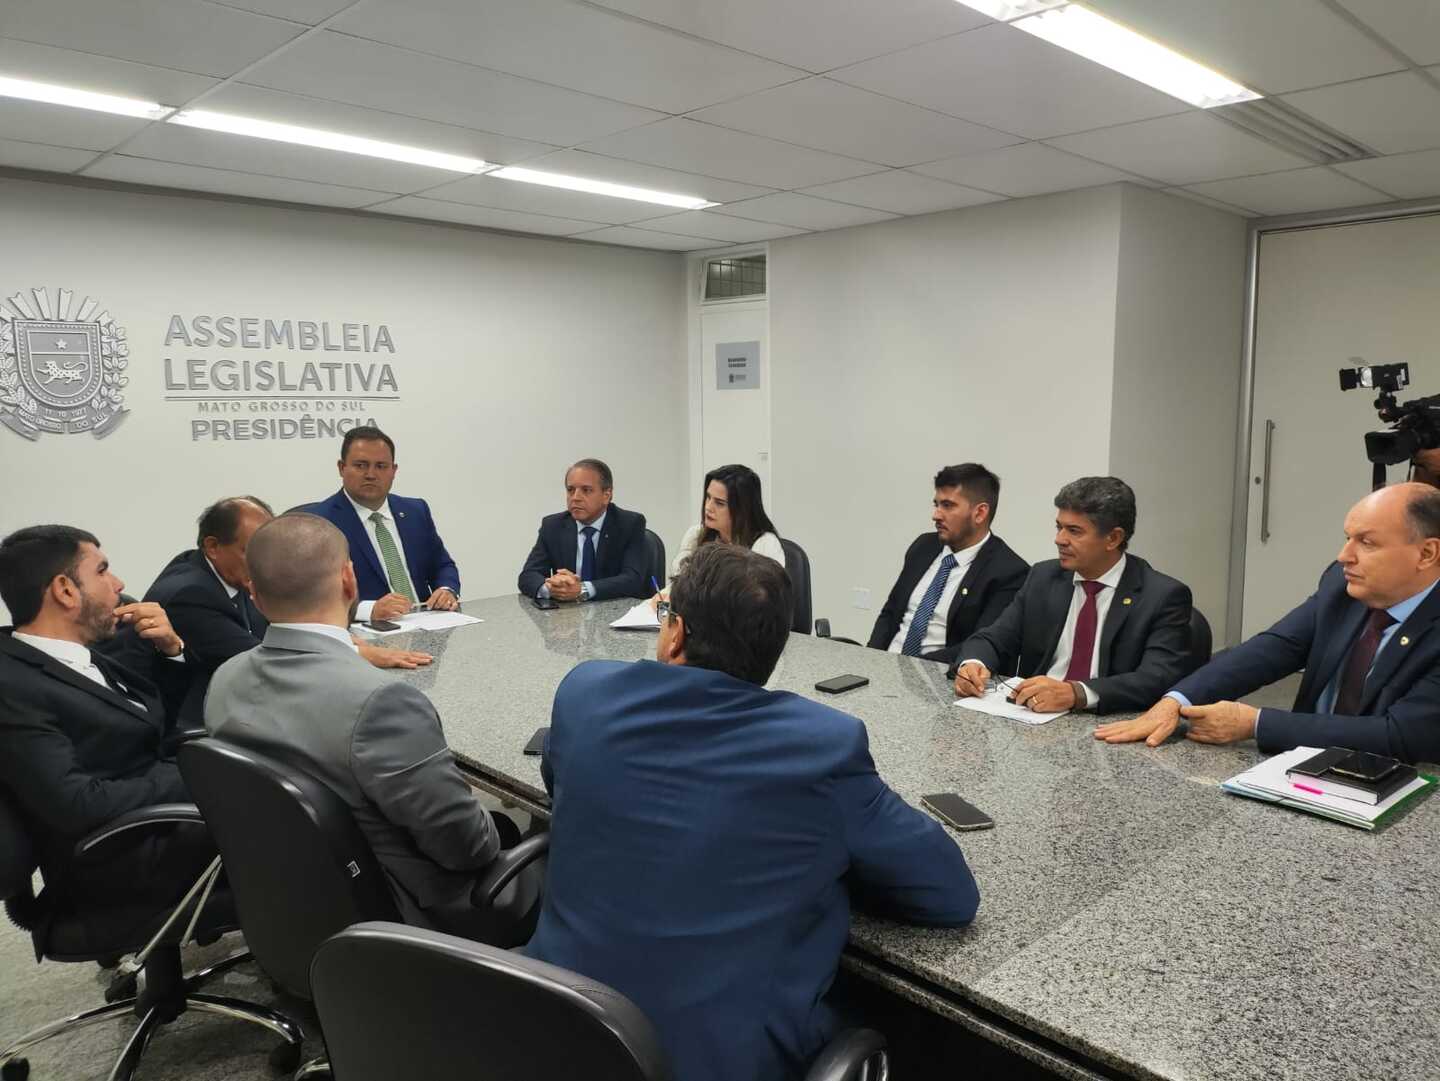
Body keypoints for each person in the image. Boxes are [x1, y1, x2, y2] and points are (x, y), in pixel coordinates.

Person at [528, 543, 979, 1081]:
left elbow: (559, 779)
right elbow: (949, 895)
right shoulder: (822, 744)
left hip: (553, 1027)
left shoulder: (586, 693)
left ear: (675, 635)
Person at [204, 513, 533, 944]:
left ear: (254, 595)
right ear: (348, 581)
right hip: (406, 915)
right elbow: (468, 848)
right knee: (550, 846)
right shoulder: (379, 702)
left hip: (298, 900)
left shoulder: (225, 679)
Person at [1097, 482, 1440, 762]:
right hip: (1303, 770)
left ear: (1426, 554)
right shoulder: (1342, 583)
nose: (1344, 555)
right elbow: (1276, 647)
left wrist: (1256, 724)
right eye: (1347, 537)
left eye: (1366, 542)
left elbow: (1402, 734)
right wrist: (1177, 700)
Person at [0, 525, 215, 923]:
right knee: (289, 825)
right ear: (65, 590)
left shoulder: (78, 654)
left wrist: (171, 652)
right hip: (112, 855)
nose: (118, 584)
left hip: (156, 820)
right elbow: (76, 803)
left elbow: (141, 726)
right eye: (102, 571)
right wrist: (200, 777)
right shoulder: (11, 682)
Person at [143, 496, 432, 726]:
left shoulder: (230, 574)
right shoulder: (190, 594)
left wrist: (336, 635)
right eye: (252, 550)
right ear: (213, 546)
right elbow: (269, 658)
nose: (265, 562)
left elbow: (279, 624)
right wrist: (355, 652)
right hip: (200, 720)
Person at [950, 477, 1193, 716]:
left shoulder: (1162, 596)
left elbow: (1156, 678)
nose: (1059, 539)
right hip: (1032, 717)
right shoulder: (1043, 577)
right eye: (1059, 527)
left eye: (1074, 531)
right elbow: (994, 638)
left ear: (1113, 538)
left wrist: (1077, 693)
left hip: (1109, 722)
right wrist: (973, 664)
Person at [868, 463, 1029, 664]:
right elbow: (891, 612)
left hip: (938, 676)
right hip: (885, 666)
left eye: (948, 505)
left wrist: (910, 668)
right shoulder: (923, 546)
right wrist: (870, 660)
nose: (936, 515)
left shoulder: (1009, 571)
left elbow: (982, 644)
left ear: (979, 513)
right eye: (936, 504)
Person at [305, 425, 461, 621]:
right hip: (365, 635)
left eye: (381, 466)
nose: (371, 474)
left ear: (393, 470)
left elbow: (443, 565)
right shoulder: (319, 523)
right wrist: (369, 610)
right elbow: (312, 594)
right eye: (361, 465)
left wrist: (447, 589)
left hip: (428, 623)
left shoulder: (415, 511)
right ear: (341, 468)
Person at [517, 458, 650, 602]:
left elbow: (633, 579)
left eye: (586, 490)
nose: (575, 498)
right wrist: (552, 588)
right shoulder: (553, 525)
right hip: (566, 618)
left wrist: (582, 589)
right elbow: (528, 575)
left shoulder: (629, 524)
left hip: (614, 612)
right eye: (570, 490)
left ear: (606, 495)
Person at [672, 463, 784, 575]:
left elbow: (761, 590)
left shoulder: (765, 544)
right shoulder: (696, 535)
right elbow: (677, 581)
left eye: (719, 503)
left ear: (742, 509)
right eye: (708, 497)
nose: (708, 507)